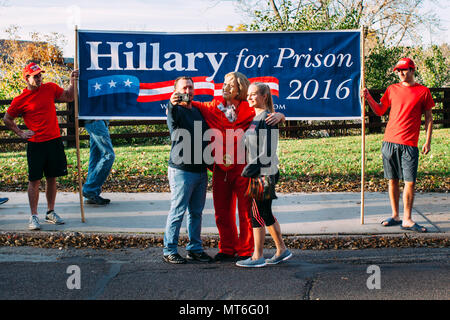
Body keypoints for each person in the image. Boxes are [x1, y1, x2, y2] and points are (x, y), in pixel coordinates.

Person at [187, 72, 285, 262]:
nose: (225, 87)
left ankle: (247, 250)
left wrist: (281, 115)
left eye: (230, 85)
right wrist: (176, 99)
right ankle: (227, 248)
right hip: (219, 167)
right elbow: (192, 103)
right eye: (224, 83)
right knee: (222, 212)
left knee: (248, 212)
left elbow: (268, 115)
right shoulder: (214, 106)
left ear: (240, 89)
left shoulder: (250, 109)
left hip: (245, 167)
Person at [3, 62, 78, 230]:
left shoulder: (49, 88)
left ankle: (50, 212)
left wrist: (73, 82)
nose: (39, 78)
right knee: (34, 181)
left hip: (54, 141)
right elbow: (7, 118)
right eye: (35, 76)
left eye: (40, 75)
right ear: (27, 78)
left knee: (52, 178)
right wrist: (20, 133)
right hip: (36, 144)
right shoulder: (20, 99)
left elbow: (68, 97)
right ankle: (34, 216)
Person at [362, 57, 434, 233]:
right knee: (392, 180)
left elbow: (429, 118)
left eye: (404, 70)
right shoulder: (392, 89)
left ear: (412, 70)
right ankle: (395, 215)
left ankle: (407, 219)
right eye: (398, 71)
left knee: (409, 181)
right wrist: (368, 97)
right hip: (389, 142)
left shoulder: (423, 92)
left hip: (409, 144)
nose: (401, 73)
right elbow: (379, 110)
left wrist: (428, 141)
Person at [236, 83, 291, 267]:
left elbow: (267, 151)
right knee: (264, 213)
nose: (250, 97)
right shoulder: (258, 117)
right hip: (261, 172)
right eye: (248, 95)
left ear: (264, 96)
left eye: (254, 95)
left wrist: (248, 170)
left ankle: (257, 257)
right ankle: (281, 250)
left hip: (263, 173)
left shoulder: (267, 118)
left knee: (257, 215)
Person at [163, 76, 213, 264]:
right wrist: (170, 103)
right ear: (176, 90)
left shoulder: (197, 111)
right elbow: (171, 120)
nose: (188, 91)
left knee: (196, 212)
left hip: (200, 170)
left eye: (190, 88)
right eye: (184, 88)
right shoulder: (175, 109)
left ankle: (194, 248)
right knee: (178, 211)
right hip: (181, 170)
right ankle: (169, 250)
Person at [82, 120, 115, 205]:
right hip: (95, 120)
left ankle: (91, 195)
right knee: (109, 155)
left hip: (95, 120)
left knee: (95, 157)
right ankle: (90, 189)